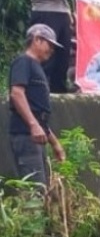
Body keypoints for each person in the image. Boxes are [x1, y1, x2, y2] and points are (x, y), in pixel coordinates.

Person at [7, 24, 66, 188]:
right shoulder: (23, 62)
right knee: (35, 191)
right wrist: (33, 125)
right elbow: (17, 93)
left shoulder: (37, 67)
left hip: (35, 136)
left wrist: (55, 143)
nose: (52, 50)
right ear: (37, 40)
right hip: (26, 135)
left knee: (43, 189)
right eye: (49, 44)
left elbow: (39, 115)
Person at [18, 0, 79, 93]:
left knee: (63, 58)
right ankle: (38, 93)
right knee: (45, 57)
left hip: (61, 12)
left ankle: (59, 92)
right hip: (45, 12)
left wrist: (69, 10)